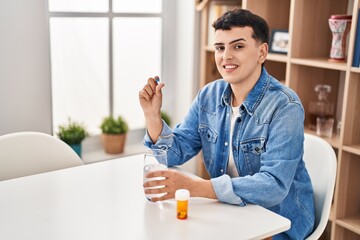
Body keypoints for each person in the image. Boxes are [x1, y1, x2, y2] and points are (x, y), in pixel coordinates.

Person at [139, 8, 314, 239]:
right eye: (220, 48)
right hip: (231, 211)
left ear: (262, 52)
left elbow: (274, 186)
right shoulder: (208, 95)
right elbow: (174, 154)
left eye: (238, 46)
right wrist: (152, 115)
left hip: (279, 222)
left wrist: (196, 187)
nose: (226, 56)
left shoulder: (285, 106)